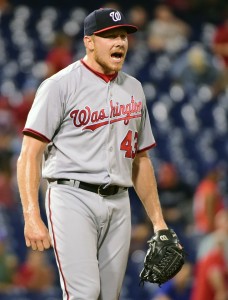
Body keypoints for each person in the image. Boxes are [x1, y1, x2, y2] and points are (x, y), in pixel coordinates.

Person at [17, 8, 172, 300]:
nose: (120, 42)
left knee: (108, 296)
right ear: (89, 41)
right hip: (72, 197)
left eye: (123, 36)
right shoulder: (59, 85)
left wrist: (158, 222)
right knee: (84, 294)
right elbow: (29, 153)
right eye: (110, 35)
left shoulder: (134, 89)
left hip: (119, 201)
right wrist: (31, 214)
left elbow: (140, 159)